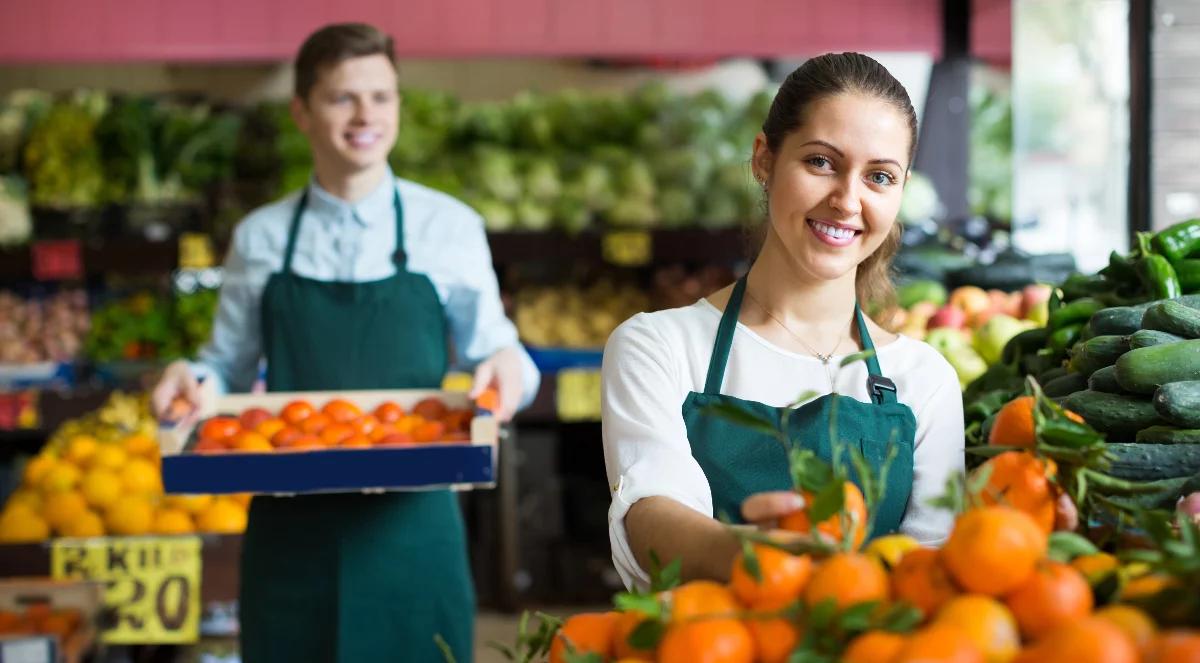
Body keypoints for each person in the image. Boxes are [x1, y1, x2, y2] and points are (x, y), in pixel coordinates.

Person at [150, 23, 540, 662]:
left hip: (413, 533)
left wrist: (508, 370)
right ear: (301, 111)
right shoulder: (260, 236)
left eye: (382, 97)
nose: (366, 116)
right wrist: (192, 379)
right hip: (290, 534)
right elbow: (226, 365)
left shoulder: (450, 226)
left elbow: (500, 356)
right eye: (343, 98)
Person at [600, 53, 964, 590]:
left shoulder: (923, 379)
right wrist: (756, 556)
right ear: (764, 160)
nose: (846, 200)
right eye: (820, 162)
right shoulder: (659, 347)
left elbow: (931, 566)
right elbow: (651, 515)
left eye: (879, 177)